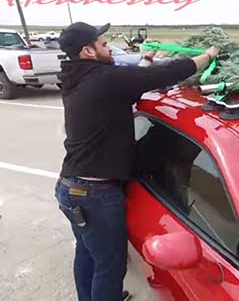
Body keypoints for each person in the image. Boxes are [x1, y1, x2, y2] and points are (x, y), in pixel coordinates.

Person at [54, 22, 218, 301]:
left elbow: (131, 79)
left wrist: (146, 59)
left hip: (70, 188)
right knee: (109, 267)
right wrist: (206, 57)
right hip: (96, 194)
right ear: (88, 51)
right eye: (103, 44)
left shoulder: (78, 79)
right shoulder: (104, 79)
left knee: (87, 254)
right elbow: (161, 75)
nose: (108, 48)